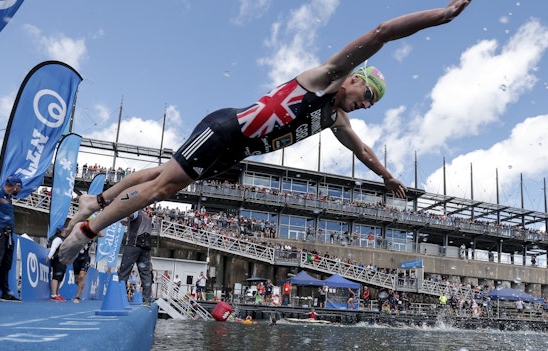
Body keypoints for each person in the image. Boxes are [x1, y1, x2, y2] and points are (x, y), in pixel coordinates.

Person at [56, 0, 474, 264]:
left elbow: (362, 151)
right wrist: (441, 16)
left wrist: (386, 177)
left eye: (371, 105)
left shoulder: (335, 120)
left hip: (233, 152)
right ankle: (85, 232)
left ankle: (97, 200)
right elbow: (382, 33)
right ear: (353, 80)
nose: (364, 106)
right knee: (164, 186)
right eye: (367, 96)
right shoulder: (325, 77)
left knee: (161, 174)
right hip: (225, 130)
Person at [117, 207, 154, 306]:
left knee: (124, 272)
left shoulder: (137, 211)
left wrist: (125, 207)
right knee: (146, 274)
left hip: (133, 245)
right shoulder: (147, 214)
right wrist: (127, 223)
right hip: (145, 247)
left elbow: (132, 215)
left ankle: (120, 298)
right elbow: (139, 223)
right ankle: (147, 300)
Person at [46, 226, 68, 301]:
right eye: (63, 231)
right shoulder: (58, 239)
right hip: (57, 260)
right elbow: (53, 248)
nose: (65, 232)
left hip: (63, 261)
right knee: (56, 277)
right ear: (59, 232)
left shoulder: (64, 239)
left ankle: (58, 294)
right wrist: (49, 256)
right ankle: (54, 294)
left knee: (60, 278)